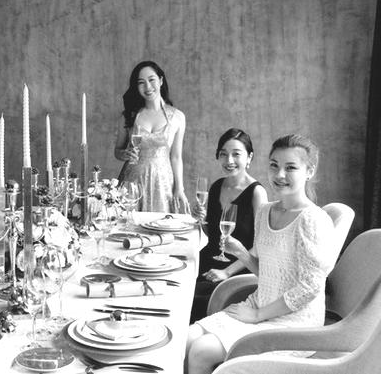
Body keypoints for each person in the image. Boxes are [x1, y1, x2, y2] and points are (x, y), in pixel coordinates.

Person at [185, 134, 340, 374]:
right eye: (274, 165)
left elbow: (309, 289)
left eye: (290, 168)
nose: (279, 175)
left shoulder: (313, 219)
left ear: (309, 171)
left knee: (201, 351)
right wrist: (242, 253)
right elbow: (269, 274)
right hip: (260, 304)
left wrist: (258, 315)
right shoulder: (265, 212)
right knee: (186, 338)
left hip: (295, 322)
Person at [190, 128, 268, 322]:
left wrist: (226, 272)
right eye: (223, 154)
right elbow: (212, 235)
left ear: (249, 157)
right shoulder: (217, 186)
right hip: (208, 262)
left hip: (237, 269)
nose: (229, 160)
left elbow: (261, 246)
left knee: (193, 301)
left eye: (236, 154)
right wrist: (200, 219)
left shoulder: (257, 193)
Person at [114, 60, 188, 213]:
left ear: (161, 81)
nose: (147, 87)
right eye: (141, 83)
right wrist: (124, 154)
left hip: (163, 184)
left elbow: (176, 157)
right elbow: (117, 151)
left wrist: (179, 188)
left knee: (160, 225)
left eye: (151, 80)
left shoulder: (177, 117)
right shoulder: (129, 116)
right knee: (128, 224)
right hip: (131, 183)